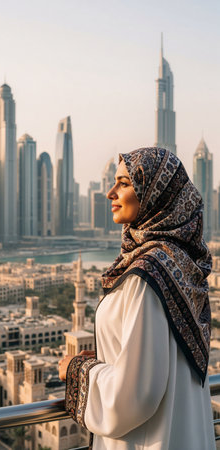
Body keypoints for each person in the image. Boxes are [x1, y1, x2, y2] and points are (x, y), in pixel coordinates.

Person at [58, 147, 215, 449]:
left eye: (124, 183)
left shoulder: (147, 274)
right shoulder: (180, 264)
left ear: (156, 196)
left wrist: (76, 369)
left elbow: (134, 396)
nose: (110, 193)